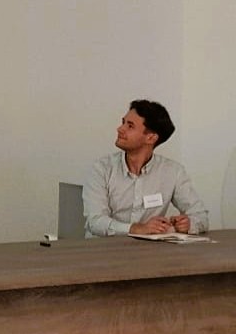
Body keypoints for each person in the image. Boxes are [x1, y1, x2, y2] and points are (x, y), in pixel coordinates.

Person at [84, 99, 207, 237]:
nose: (120, 129)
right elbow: (95, 222)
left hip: (149, 249)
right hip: (103, 248)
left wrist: (188, 224)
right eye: (123, 122)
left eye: (130, 126)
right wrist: (136, 229)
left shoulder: (173, 171)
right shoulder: (101, 169)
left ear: (151, 138)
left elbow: (200, 216)